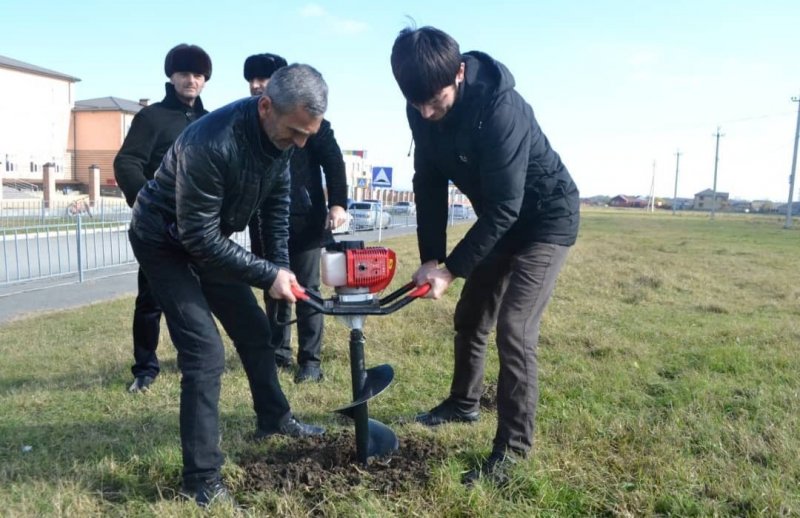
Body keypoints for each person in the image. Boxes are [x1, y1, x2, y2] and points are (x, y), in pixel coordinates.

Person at [128, 64, 328, 507]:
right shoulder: (211, 142)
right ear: (265, 106)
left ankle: (274, 419)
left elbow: (275, 208)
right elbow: (197, 238)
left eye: (307, 135)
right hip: (163, 239)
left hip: (204, 238)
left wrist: (280, 269)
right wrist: (265, 273)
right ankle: (201, 482)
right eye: (295, 131)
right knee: (204, 352)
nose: (299, 143)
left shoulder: (286, 138)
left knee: (255, 330)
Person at [390, 26, 580, 485]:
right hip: (501, 220)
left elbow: (505, 208)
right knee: (472, 315)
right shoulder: (421, 106)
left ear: (458, 73)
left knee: (514, 328)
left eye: (435, 101)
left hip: (543, 220)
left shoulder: (501, 108)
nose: (427, 113)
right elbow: (428, 184)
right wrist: (432, 257)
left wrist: (453, 269)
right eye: (417, 105)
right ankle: (463, 404)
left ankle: (513, 452)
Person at [243, 53, 348, 383]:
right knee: (274, 286)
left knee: (307, 290)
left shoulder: (312, 123)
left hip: (303, 221)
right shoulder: (249, 123)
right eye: (253, 79)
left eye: (265, 78)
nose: (258, 84)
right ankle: (278, 350)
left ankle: (311, 360)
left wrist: (338, 205)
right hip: (262, 220)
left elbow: (335, 165)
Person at [114, 43, 211, 393]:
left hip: (199, 225)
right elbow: (126, 162)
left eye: (198, 75)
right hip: (157, 226)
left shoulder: (208, 120)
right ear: (171, 76)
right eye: (184, 73)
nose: (191, 80)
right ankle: (145, 368)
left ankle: (192, 357)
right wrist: (145, 202)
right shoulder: (151, 118)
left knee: (195, 296)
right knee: (151, 299)